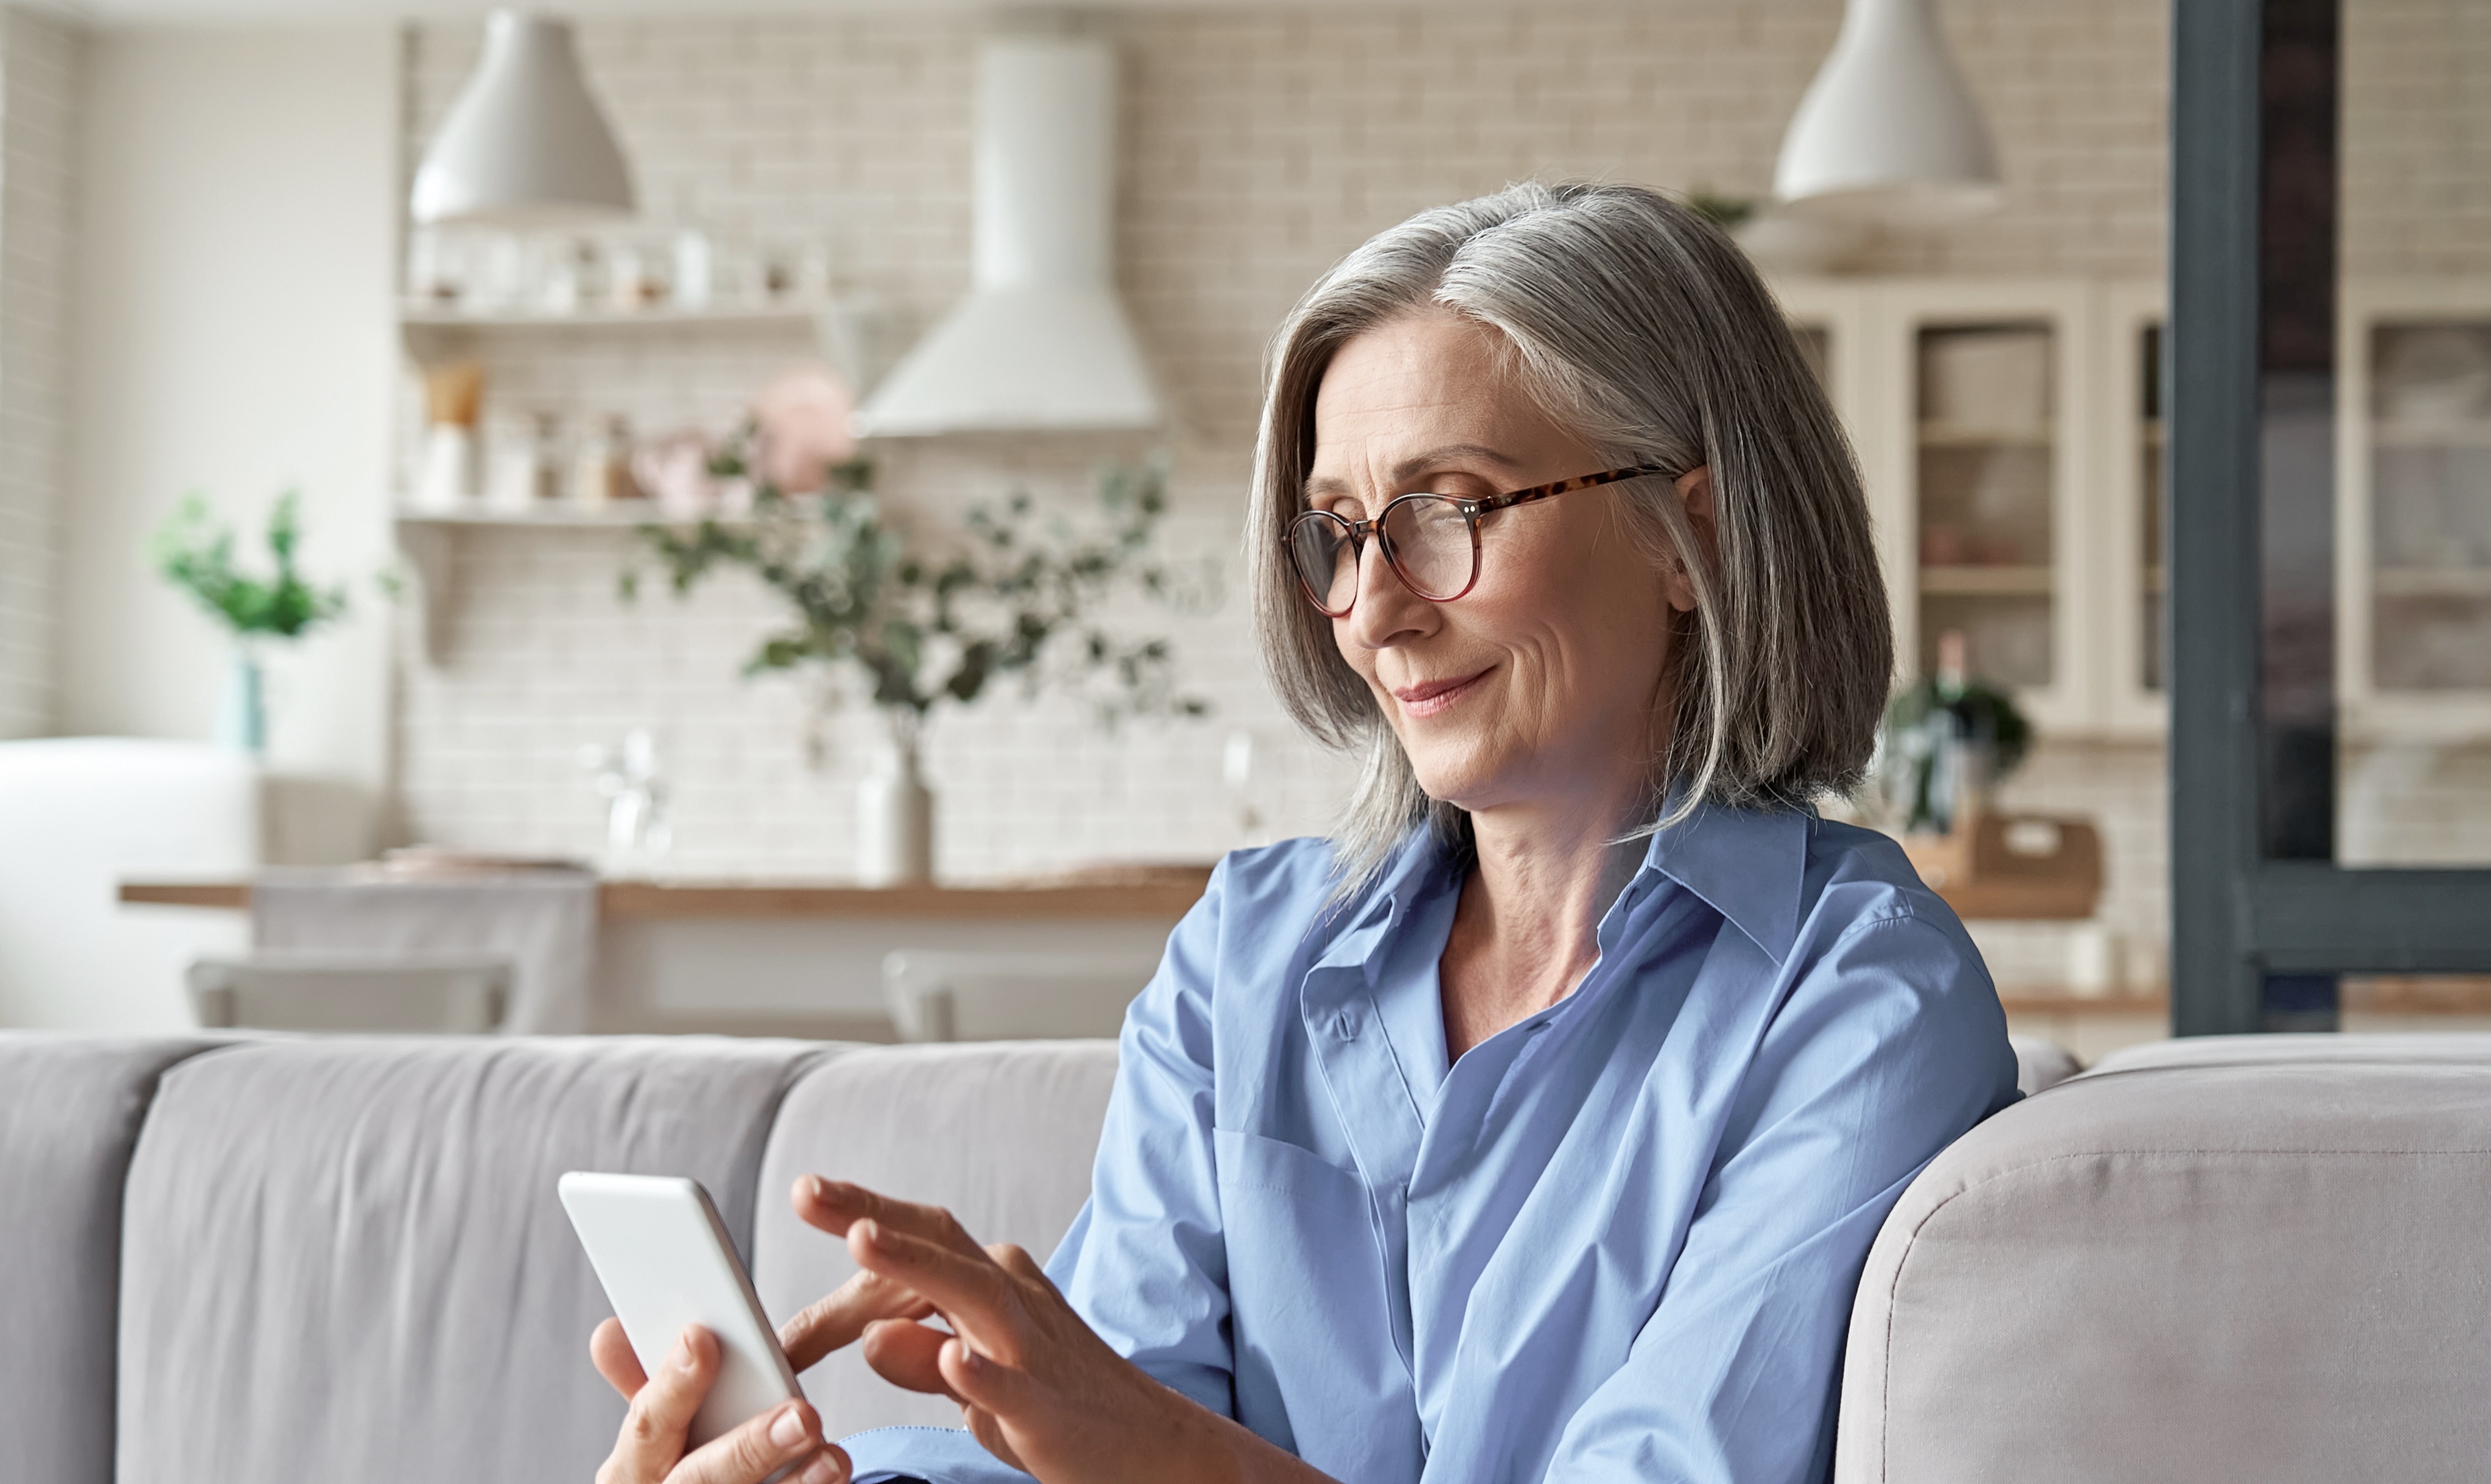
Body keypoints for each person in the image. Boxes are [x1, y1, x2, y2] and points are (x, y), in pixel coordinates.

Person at [589, 183, 2019, 1484]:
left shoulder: (1861, 1001)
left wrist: (1136, 1443)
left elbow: (1133, 1440)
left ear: (1684, 537)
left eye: (1450, 509)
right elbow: (1089, 1437)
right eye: (1338, 529)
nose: (1374, 606)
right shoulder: (1249, 953)